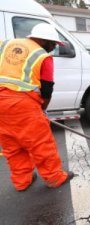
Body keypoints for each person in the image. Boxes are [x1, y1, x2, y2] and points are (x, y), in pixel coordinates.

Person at [0, 23, 74, 192]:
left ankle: (22, 181)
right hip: (22, 105)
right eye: (53, 43)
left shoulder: (6, 45)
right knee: (41, 144)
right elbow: (47, 89)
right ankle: (54, 178)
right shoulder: (42, 56)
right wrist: (42, 108)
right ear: (44, 40)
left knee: (12, 146)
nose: (54, 47)